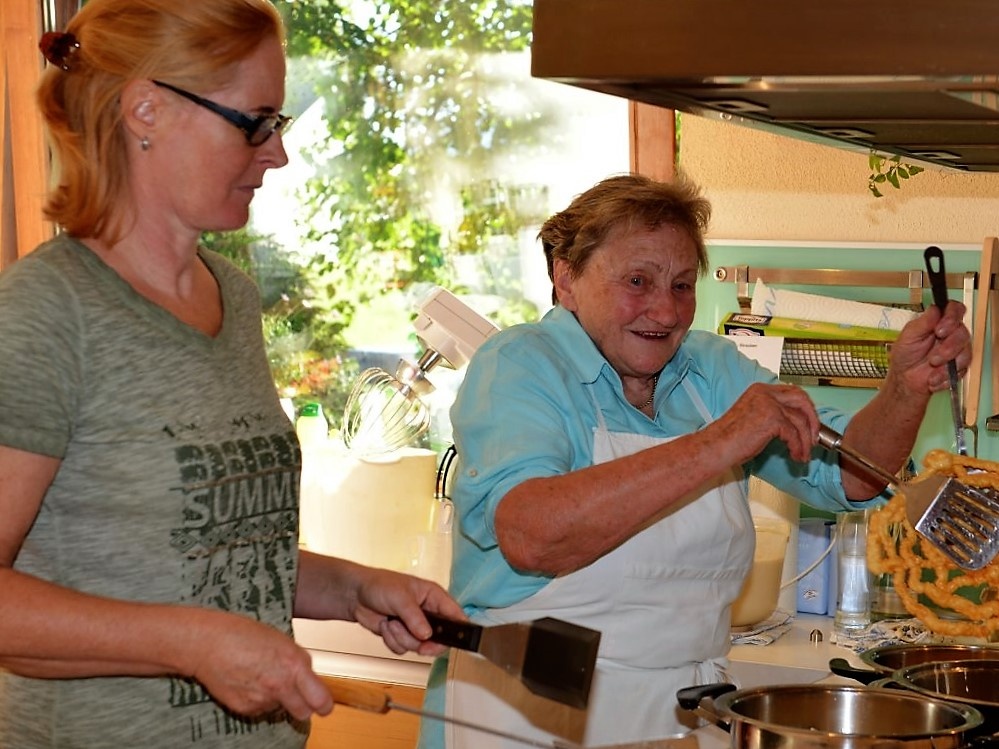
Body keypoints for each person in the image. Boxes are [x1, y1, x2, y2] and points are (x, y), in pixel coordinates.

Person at [0, 1, 466, 747]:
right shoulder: (48, 310)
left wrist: (354, 589)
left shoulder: (234, 298)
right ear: (146, 110)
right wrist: (190, 643)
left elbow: (214, 554)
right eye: (255, 122)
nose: (277, 154)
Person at [418, 173, 973, 748]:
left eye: (682, 285)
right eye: (638, 281)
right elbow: (534, 535)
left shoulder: (710, 369)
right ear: (567, 278)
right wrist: (722, 440)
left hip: (681, 709)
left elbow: (852, 474)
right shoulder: (521, 365)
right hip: (529, 712)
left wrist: (906, 387)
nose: (666, 311)